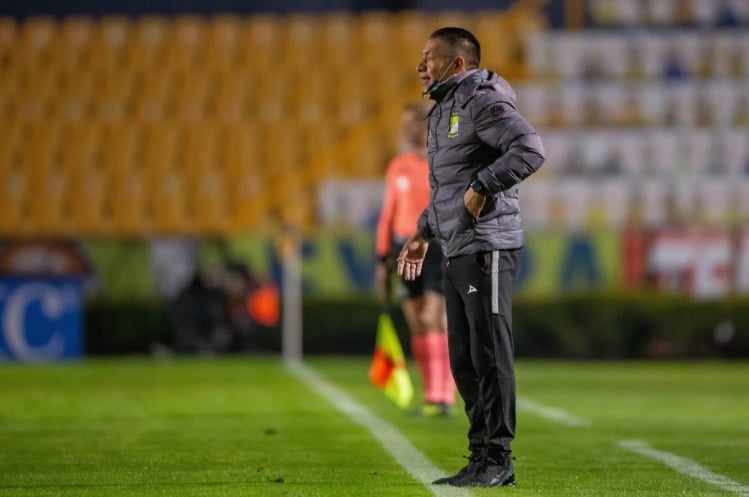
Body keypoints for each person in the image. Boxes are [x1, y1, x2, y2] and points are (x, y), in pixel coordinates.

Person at [397, 27, 545, 488]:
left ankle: (499, 458)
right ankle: (480, 456)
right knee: (464, 358)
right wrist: (423, 232)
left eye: (429, 57)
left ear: (457, 63)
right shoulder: (444, 109)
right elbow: (449, 188)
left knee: (489, 352)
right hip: (458, 245)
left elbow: (530, 149)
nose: (421, 65)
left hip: (489, 245)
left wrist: (483, 186)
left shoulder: (482, 100)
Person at [374, 101, 456, 417]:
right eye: (404, 125)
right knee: (417, 323)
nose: (407, 130)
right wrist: (382, 259)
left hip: (436, 246)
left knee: (434, 316)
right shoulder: (398, 166)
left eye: (413, 124)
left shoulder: (444, 163)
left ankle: (442, 395)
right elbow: (388, 214)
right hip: (403, 248)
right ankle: (430, 392)